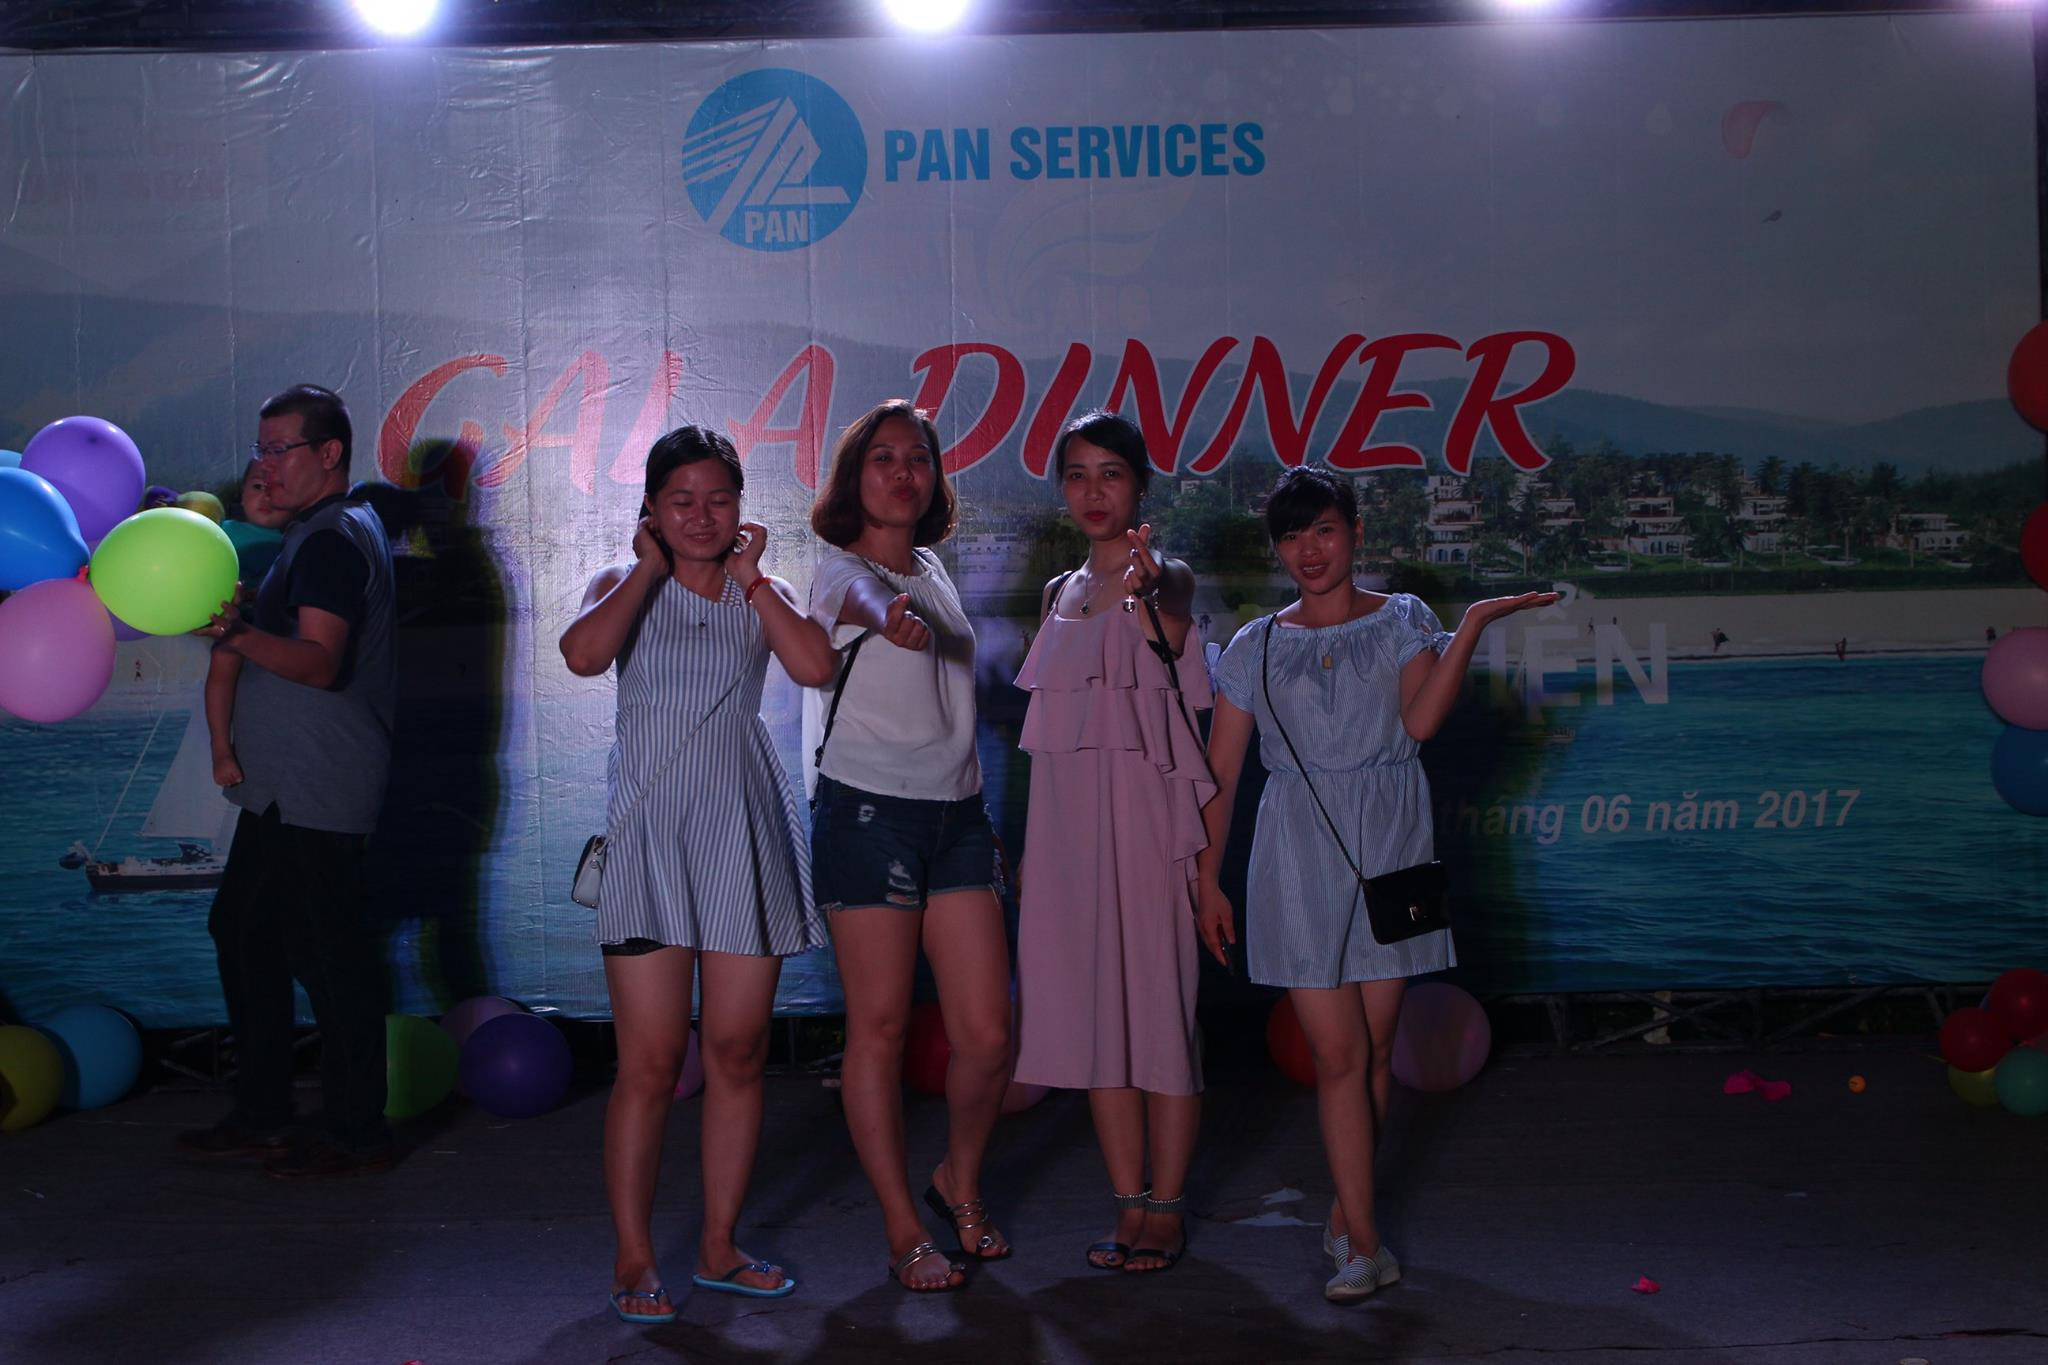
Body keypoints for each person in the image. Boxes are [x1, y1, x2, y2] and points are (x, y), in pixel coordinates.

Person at [1194, 467, 1555, 1303]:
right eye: (1291, 535)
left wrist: (1470, 624)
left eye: (1323, 529)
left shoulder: (1403, 619)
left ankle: (1347, 1210)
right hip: (1295, 857)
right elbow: (1221, 774)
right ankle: (1364, 1243)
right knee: (1339, 1055)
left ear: (1355, 531)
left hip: (1396, 846)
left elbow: (1421, 722)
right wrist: (1207, 879)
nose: (1308, 549)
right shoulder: (1255, 646)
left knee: (1377, 1050)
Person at [559, 426, 837, 1322]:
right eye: (681, 500)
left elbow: (816, 665)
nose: (702, 515)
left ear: (742, 507)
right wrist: (646, 567)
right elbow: (582, 655)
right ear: (651, 507)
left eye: (719, 499)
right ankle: (634, 1255)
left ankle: (719, 1244)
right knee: (648, 1063)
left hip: (742, 835)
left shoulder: (764, 588)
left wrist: (753, 580)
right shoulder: (623, 582)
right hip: (650, 841)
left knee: (739, 1052)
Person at [805, 400, 1013, 1293]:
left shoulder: (931, 568)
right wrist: (884, 614)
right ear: (855, 478)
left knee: (989, 1034)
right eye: (883, 457)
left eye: (917, 458)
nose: (902, 472)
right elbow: (859, 602)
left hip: (956, 815)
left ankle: (957, 1178)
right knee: (881, 1028)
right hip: (868, 814)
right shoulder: (838, 573)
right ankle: (902, 1227)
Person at [177, 384, 399, 1178]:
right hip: (282, 787)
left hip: (317, 785)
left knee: (328, 956)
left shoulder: (333, 540)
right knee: (245, 931)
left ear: (328, 453)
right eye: (261, 449)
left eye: (281, 449)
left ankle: (355, 1130)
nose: (266, 464)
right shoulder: (317, 532)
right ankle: (266, 1112)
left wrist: (239, 633)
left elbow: (319, 662)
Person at [1013, 410, 1212, 1274]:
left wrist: (1146, 592)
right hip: (1069, 835)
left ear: (1140, 486)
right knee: (1098, 1020)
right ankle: (1127, 1203)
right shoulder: (1058, 592)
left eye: (1111, 474)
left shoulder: (1168, 575)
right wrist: (1035, 850)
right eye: (1077, 475)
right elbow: (1048, 741)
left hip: (1148, 826)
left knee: (1162, 1014)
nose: (1093, 492)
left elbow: (1170, 633)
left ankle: (1166, 1208)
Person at [207, 462, 295, 788]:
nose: (267, 496)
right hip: (231, 624)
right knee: (224, 657)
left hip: (275, 628)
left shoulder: (294, 539)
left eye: (279, 487)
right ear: (242, 495)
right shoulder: (223, 532)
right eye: (258, 487)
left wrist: (253, 594)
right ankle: (220, 748)